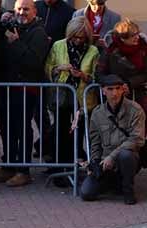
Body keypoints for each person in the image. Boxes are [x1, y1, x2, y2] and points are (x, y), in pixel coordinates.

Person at [0, 0, 48, 187]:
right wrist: (0, 27)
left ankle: (23, 170)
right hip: (6, 86)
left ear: (34, 12)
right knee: (5, 127)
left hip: (26, 88)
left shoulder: (38, 33)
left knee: (22, 128)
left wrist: (16, 43)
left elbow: (34, 62)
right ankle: (8, 165)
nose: (22, 13)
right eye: (18, 9)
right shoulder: (11, 27)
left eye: (26, 9)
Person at [45, 15, 97, 176]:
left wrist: (82, 75)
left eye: (81, 37)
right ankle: (58, 168)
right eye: (74, 37)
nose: (78, 40)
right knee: (59, 132)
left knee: (78, 134)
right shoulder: (58, 45)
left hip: (82, 100)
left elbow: (96, 77)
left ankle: (73, 168)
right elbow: (48, 67)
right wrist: (58, 69)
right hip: (62, 98)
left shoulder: (93, 51)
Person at [82, 73, 143, 203]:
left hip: (127, 156)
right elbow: (95, 142)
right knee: (86, 193)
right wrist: (95, 163)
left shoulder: (135, 110)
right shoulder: (97, 113)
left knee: (126, 155)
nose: (114, 93)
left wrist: (112, 156)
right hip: (105, 161)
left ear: (123, 89)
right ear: (103, 91)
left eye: (117, 88)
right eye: (110, 89)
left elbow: (136, 139)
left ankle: (128, 190)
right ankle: (112, 183)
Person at [98, 18, 147, 131]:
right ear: (123, 38)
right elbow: (100, 73)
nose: (137, 37)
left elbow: (146, 73)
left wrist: (129, 83)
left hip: (136, 90)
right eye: (133, 36)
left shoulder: (142, 48)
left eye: (137, 34)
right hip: (114, 91)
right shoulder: (111, 50)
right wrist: (117, 85)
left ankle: (140, 141)